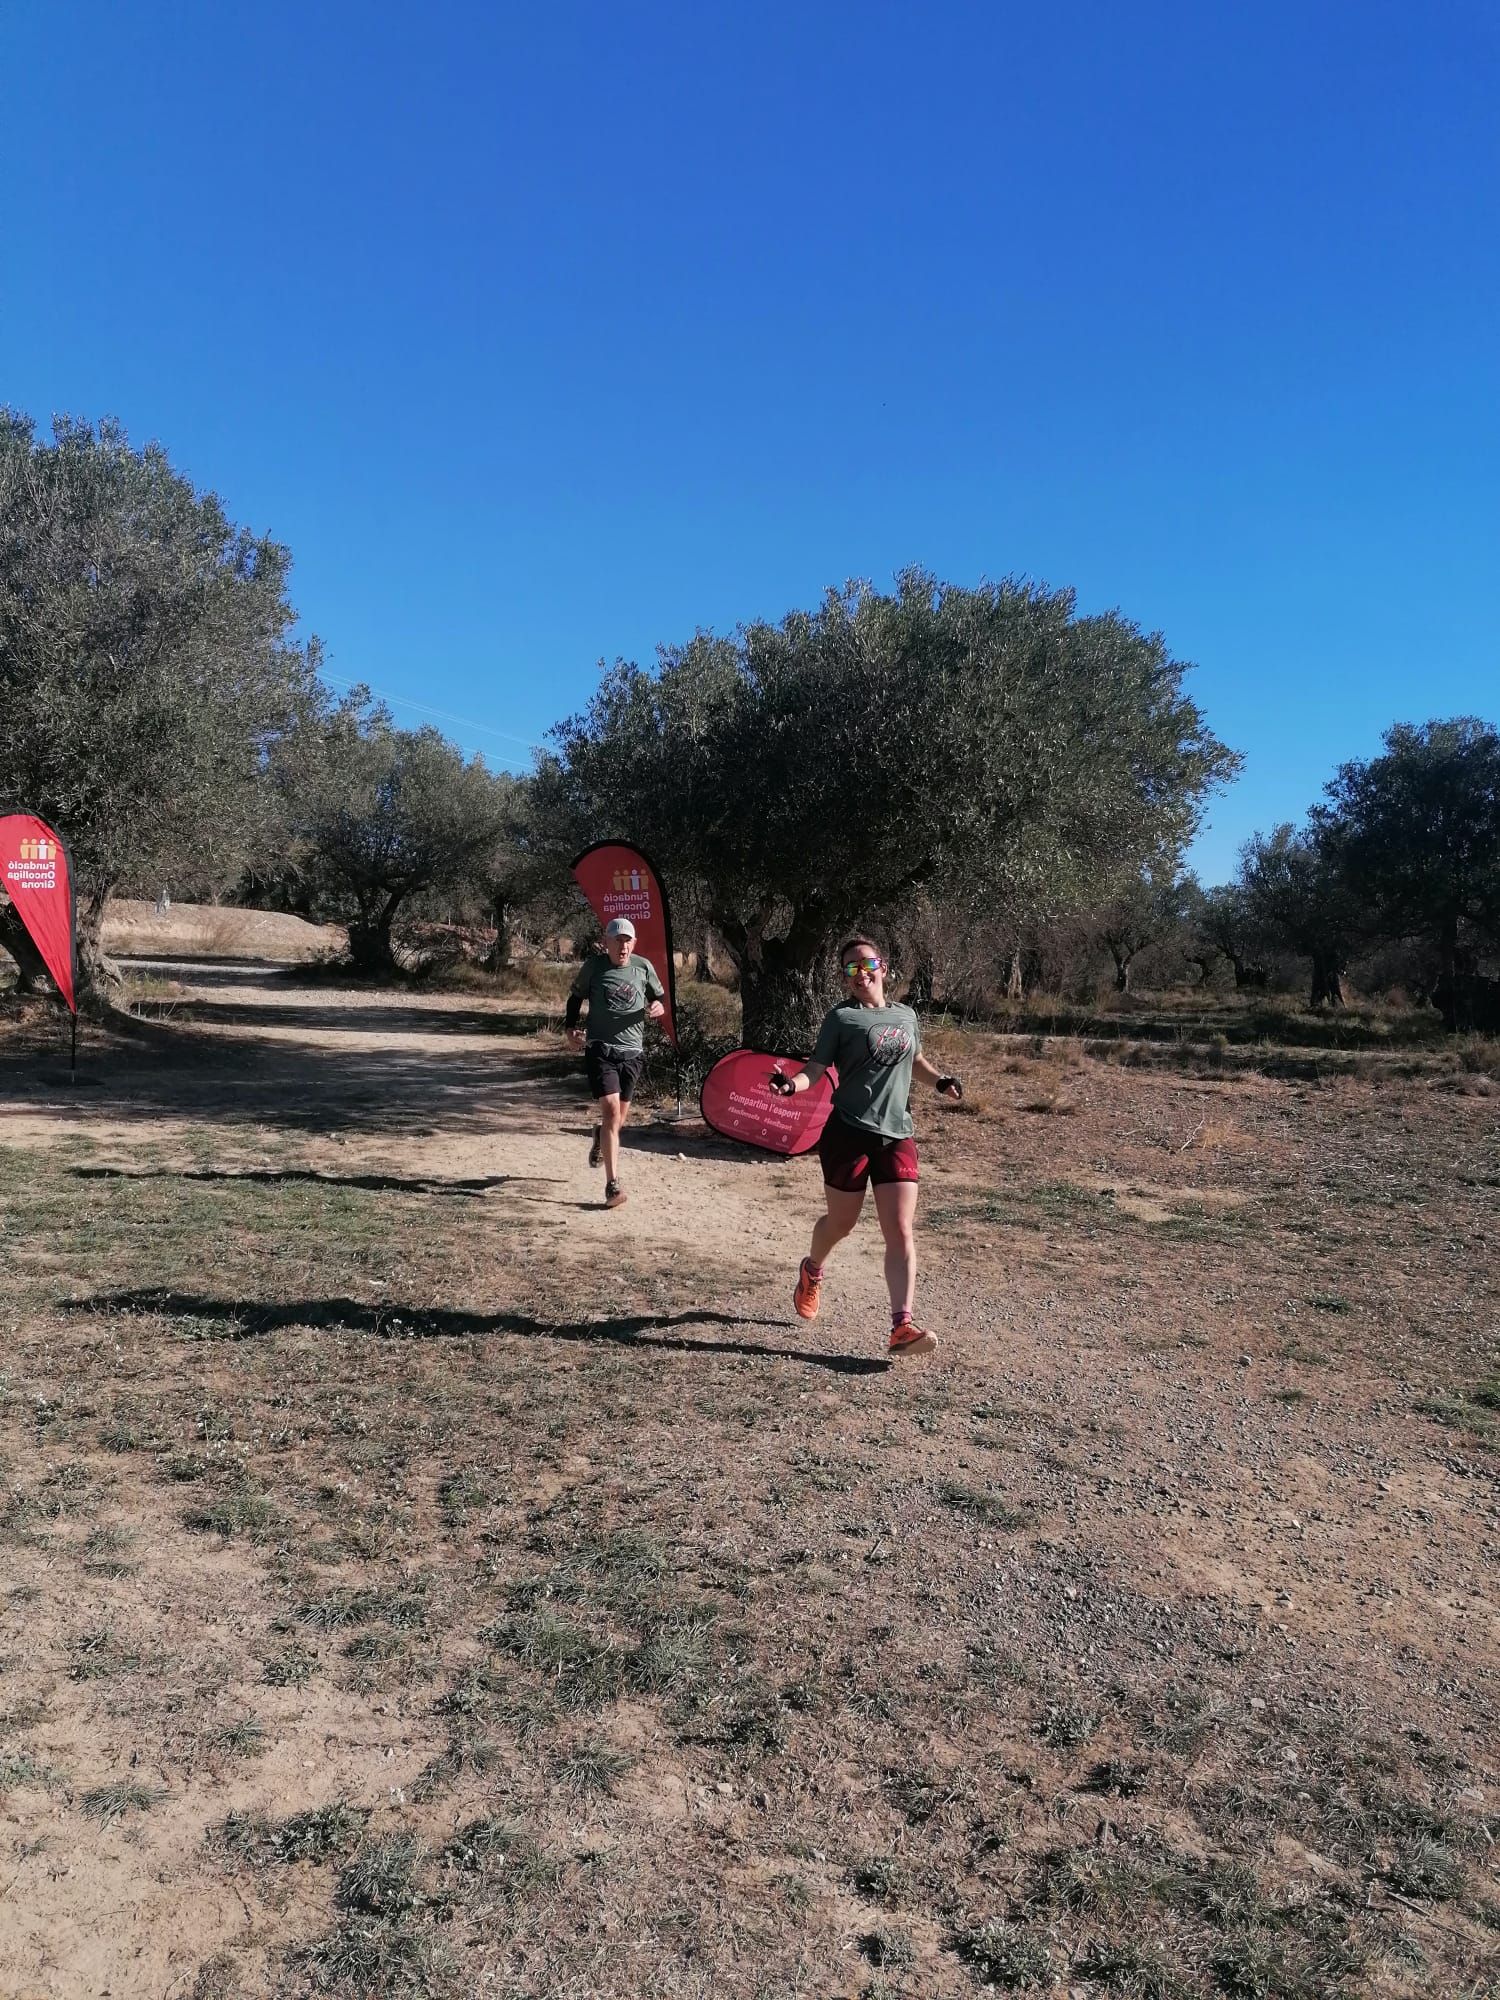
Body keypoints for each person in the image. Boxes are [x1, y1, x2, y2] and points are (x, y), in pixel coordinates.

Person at [769, 935, 962, 1358]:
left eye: (866, 964)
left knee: (900, 1229)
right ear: (844, 979)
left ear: (883, 967)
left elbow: (915, 1061)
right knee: (842, 1224)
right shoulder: (841, 1018)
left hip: (896, 1133)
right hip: (848, 1133)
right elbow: (816, 1068)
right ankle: (812, 1270)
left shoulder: (906, 1015)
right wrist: (792, 1085)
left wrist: (940, 1080)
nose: (859, 973)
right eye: (850, 969)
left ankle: (901, 1326)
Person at [565, 916, 666, 1209]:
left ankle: (599, 1136)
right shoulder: (595, 967)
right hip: (601, 1049)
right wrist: (570, 1028)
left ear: (633, 943)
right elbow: (575, 998)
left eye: (627, 941)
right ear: (606, 941)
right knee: (610, 1112)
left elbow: (658, 997)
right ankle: (612, 1185)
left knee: (617, 1122)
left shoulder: (643, 967)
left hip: (632, 1052)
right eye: (617, 941)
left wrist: (658, 1006)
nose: (622, 947)